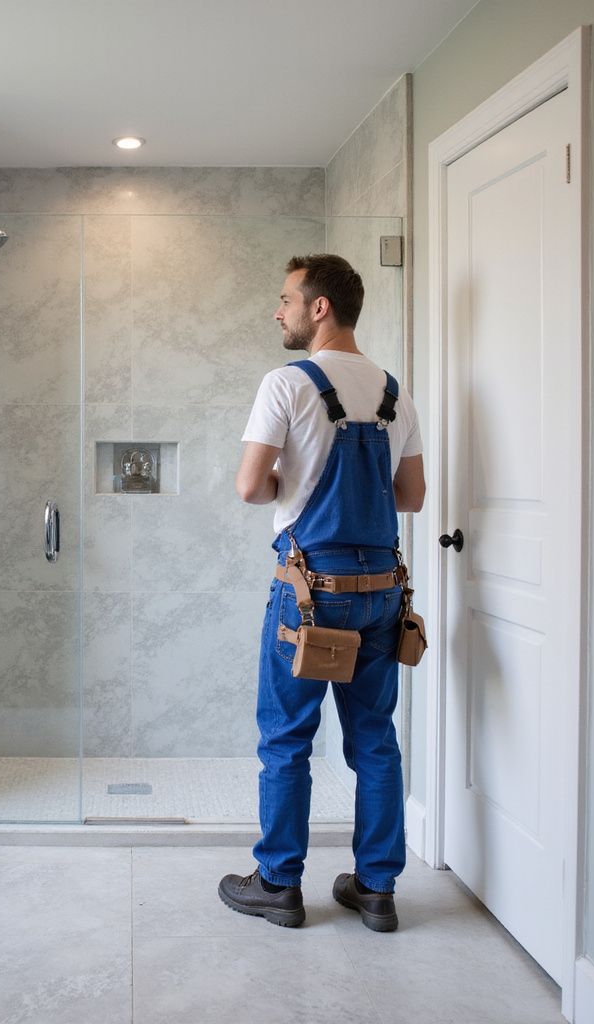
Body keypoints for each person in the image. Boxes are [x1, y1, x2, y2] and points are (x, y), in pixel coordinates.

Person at [219, 254, 425, 931]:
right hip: (379, 595)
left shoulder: (287, 384)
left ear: (319, 308)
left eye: (285, 299)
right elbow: (412, 498)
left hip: (310, 596)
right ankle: (376, 888)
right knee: (375, 741)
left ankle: (278, 882)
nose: (277, 311)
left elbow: (251, 487)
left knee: (286, 739)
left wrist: (294, 487)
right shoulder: (396, 392)